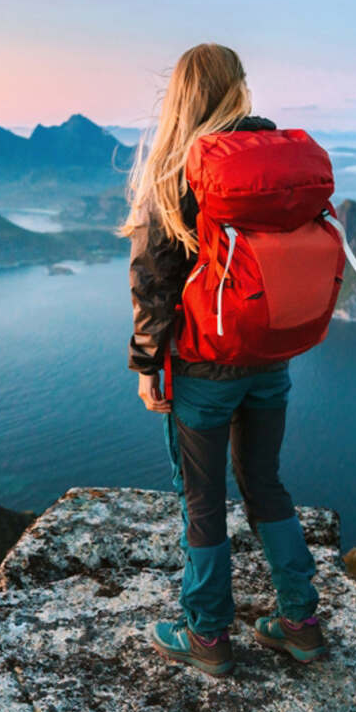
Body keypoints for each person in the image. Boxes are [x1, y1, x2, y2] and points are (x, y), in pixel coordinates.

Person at [120, 43, 325, 678]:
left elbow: (154, 280)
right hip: (269, 356)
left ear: (181, 95)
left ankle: (207, 633)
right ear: (239, 87)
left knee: (204, 502)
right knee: (266, 485)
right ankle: (301, 624)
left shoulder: (179, 168)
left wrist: (147, 364)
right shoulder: (274, 161)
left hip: (204, 366)